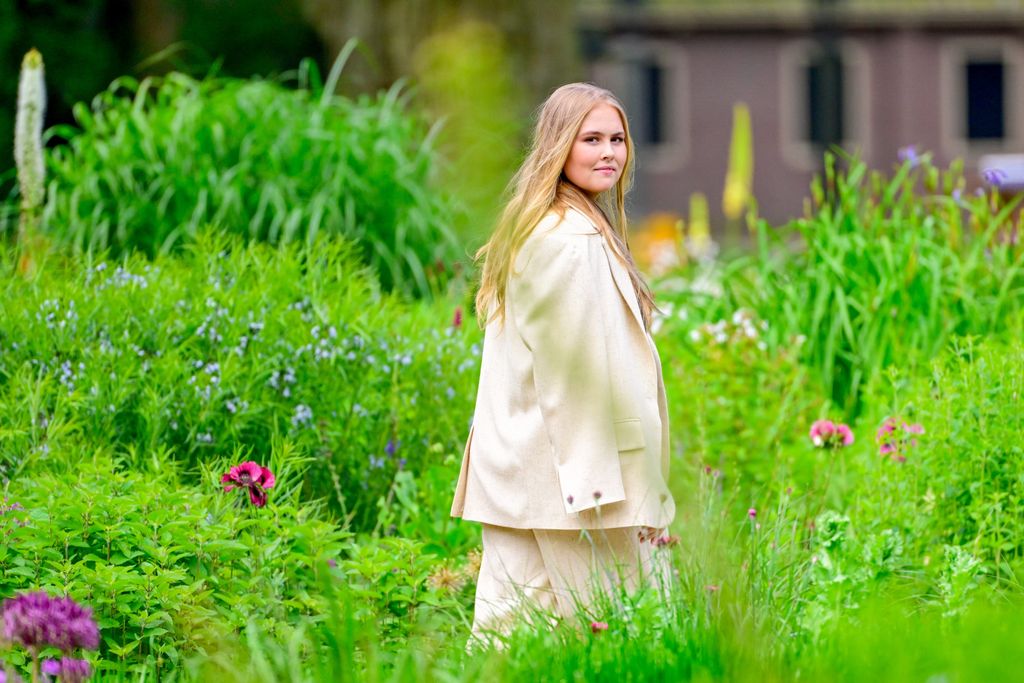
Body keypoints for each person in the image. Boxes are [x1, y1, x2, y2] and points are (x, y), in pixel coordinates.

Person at [450, 82, 676, 641]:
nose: (608, 153)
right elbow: (568, 376)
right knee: (622, 631)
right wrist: (596, 490)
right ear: (559, 147)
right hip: (577, 483)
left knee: (509, 637)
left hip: (526, 474)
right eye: (591, 139)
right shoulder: (570, 240)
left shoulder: (543, 225)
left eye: (617, 139)